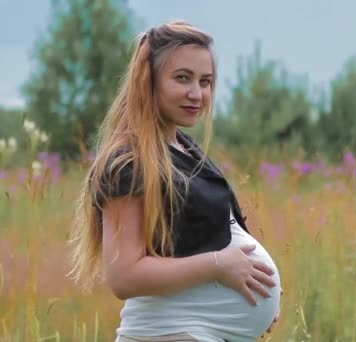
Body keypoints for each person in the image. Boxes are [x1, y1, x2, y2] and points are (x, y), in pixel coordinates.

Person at [67, 20, 282, 342]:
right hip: (171, 332)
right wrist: (219, 266)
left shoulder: (183, 146)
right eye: (182, 78)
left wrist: (254, 284)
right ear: (147, 81)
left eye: (205, 81)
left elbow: (204, 236)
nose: (197, 94)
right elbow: (124, 277)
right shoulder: (129, 163)